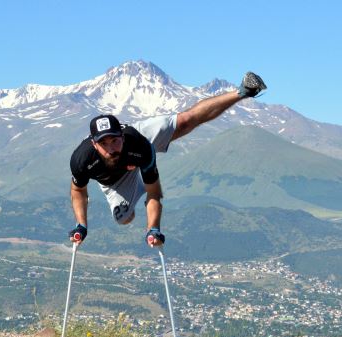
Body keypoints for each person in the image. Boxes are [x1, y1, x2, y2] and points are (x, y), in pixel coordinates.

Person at [68, 72, 266, 248]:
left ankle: (243, 91)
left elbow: (154, 194)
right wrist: (81, 225)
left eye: (115, 140)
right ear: (94, 145)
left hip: (138, 144)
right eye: (104, 144)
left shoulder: (139, 144)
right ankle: (138, 183)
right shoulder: (81, 159)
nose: (111, 148)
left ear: (122, 135)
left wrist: (153, 229)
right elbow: (78, 191)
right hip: (114, 183)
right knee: (124, 219)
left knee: (185, 121)